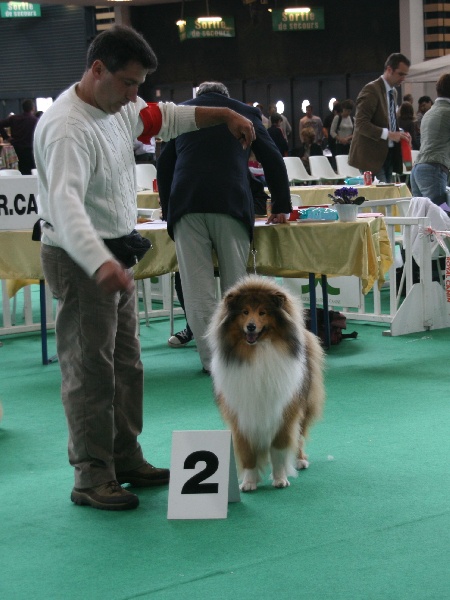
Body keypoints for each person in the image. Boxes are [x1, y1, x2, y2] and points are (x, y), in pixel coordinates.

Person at [33, 26, 255, 512]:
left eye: (139, 84)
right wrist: (99, 262)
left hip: (113, 253)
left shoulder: (118, 106)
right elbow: (65, 206)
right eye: (129, 83)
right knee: (90, 369)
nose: (135, 95)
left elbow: (165, 116)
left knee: (127, 365)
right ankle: (91, 476)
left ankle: (124, 457)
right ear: (97, 70)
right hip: (80, 259)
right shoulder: (67, 129)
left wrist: (223, 114)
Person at [157, 81, 291, 373]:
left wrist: (168, 210)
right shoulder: (244, 112)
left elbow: (164, 165)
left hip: (187, 206)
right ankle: (240, 359)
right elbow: (272, 157)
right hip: (230, 202)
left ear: (200, 96)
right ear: (225, 96)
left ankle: (212, 362)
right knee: (236, 287)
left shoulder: (181, 113)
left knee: (197, 289)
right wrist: (281, 205)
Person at [348, 53, 411, 182]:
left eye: (405, 75)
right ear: (389, 70)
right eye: (400, 74)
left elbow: (388, 122)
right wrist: (389, 134)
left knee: (387, 193)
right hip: (371, 157)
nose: (403, 78)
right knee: (381, 193)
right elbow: (361, 124)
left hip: (388, 154)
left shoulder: (393, 92)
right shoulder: (371, 90)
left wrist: (400, 133)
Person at [410, 74, 450, 211]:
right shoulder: (447, 112)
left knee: (423, 216)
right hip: (433, 170)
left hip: (417, 170)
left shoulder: (429, 113)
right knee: (442, 214)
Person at [0, 99, 38, 174]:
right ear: (33, 108)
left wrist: (6, 137)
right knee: (32, 169)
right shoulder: (35, 120)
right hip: (31, 148)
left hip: (18, 147)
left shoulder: (14, 118)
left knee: (22, 167)